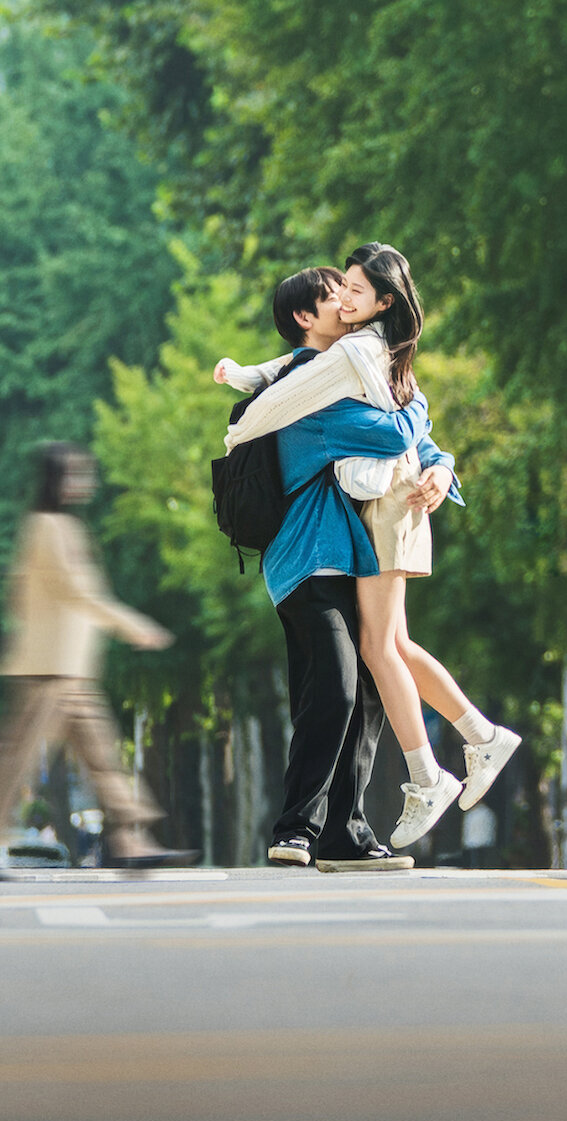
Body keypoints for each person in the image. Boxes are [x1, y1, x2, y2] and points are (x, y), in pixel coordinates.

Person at [214, 266, 432, 871]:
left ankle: (346, 832)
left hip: (342, 556)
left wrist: (441, 469)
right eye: (332, 297)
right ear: (305, 320)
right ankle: (297, 829)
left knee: (361, 689)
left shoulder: (343, 377)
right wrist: (424, 415)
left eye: (350, 291)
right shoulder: (311, 389)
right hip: (307, 560)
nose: (345, 302)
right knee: (337, 686)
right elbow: (394, 436)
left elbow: (410, 442)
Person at [0, 443, 194, 879]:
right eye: (75, 475)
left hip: (72, 671)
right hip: (46, 672)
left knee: (103, 758)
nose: (84, 483)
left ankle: (129, 838)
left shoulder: (66, 527)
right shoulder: (44, 527)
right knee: (17, 764)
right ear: (55, 481)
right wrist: (129, 624)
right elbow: (73, 592)